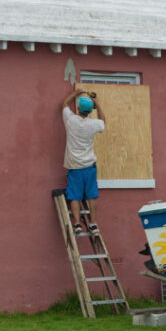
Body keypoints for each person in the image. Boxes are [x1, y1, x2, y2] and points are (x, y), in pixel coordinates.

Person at [61, 89, 105, 235]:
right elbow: (103, 121)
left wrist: (76, 93)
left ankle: (77, 224)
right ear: (90, 111)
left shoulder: (71, 120)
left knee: (74, 196)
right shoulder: (93, 124)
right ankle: (93, 224)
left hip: (74, 166)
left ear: (78, 108)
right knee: (92, 195)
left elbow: (64, 104)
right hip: (89, 166)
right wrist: (97, 104)